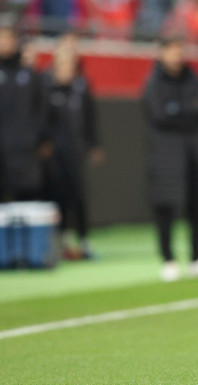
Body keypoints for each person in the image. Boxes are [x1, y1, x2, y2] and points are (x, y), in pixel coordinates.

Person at [142, 36, 198, 282]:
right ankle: (168, 259)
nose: (177, 56)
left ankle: (197, 258)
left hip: (192, 150)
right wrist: (186, 110)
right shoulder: (153, 82)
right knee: (165, 206)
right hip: (165, 153)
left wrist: (177, 110)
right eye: (172, 50)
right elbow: (159, 116)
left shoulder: (192, 77)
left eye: (180, 50)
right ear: (162, 53)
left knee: (197, 204)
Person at [41, 38, 104, 259]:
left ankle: (84, 242)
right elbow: (42, 119)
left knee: (79, 196)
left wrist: (94, 144)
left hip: (75, 150)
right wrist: (44, 143)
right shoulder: (46, 85)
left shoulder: (81, 85)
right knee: (58, 196)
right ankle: (63, 243)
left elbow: (90, 118)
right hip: (54, 152)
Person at [0, 25, 46, 202]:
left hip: (24, 150)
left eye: (8, 38)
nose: (5, 43)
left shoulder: (29, 75)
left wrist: (36, 137)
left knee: (27, 196)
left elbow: (40, 108)